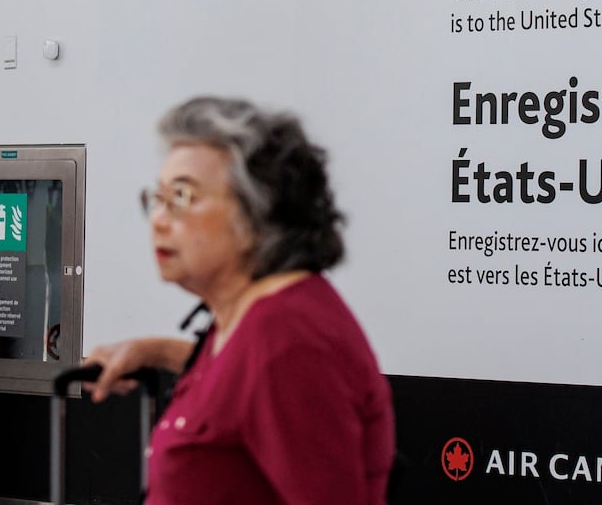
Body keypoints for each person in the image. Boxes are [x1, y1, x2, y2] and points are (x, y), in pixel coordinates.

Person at [87, 96, 395, 504]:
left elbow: (271, 371)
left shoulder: (289, 339)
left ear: (257, 214)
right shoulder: (251, 319)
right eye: (157, 199)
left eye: (183, 196)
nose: (159, 219)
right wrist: (154, 351)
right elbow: (241, 382)